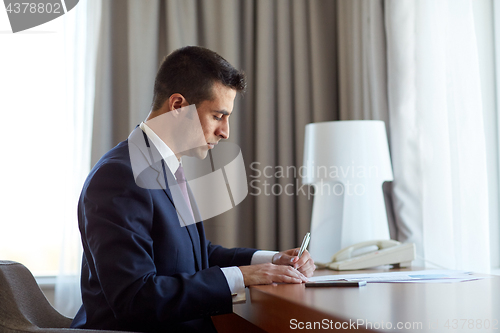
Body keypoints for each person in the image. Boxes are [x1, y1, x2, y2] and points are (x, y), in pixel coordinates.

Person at [71, 46, 315, 333]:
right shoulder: (119, 176)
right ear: (177, 106)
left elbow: (193, 256)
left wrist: (270, 261)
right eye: (217, 116)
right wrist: (242, 276)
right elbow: (135, 298)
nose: (225, 132)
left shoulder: (164, 166)